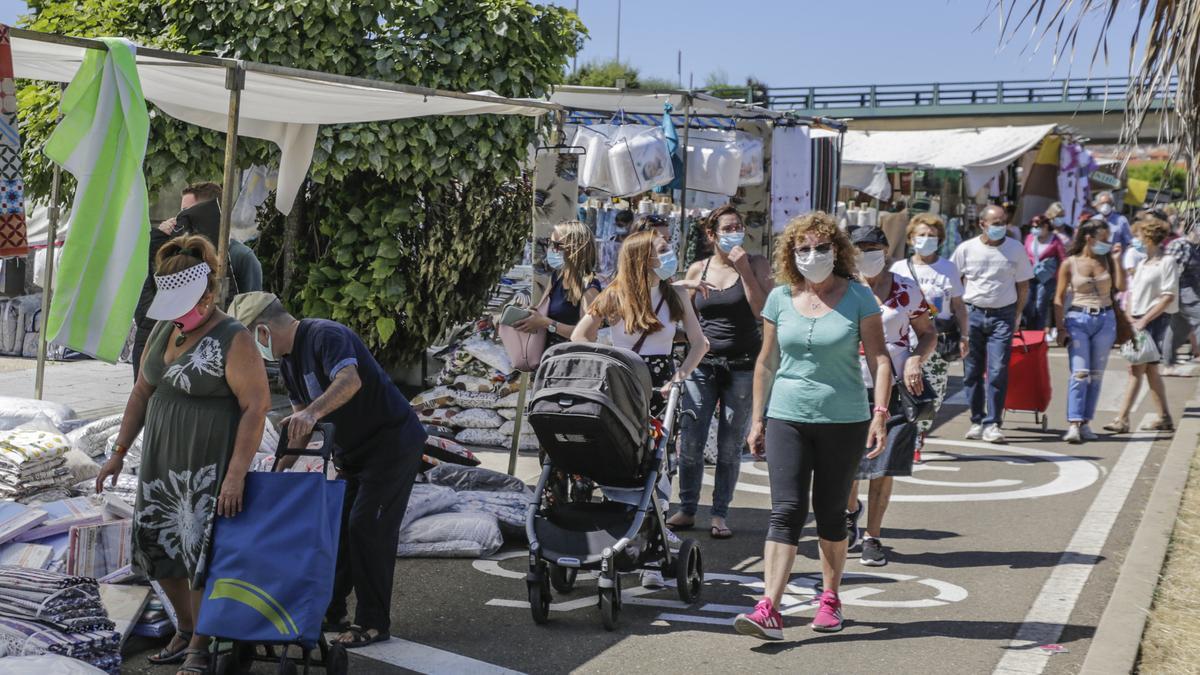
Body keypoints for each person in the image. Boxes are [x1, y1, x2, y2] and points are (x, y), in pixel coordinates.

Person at [96, 236, 270, 675]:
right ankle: (187, 626)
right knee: (157, 548)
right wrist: (118, 452)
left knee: (198, 553)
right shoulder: (164, 329)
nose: (177, 313)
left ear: (208, 295)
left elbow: (256, 407)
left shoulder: (235, 338)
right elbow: (141, 391)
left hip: (206, 463)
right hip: (161, 461)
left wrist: (235, 475)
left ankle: (201, 642)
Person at [229, 292, 428, 648]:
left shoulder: (324, 335)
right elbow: (299, 427)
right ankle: (329, 610)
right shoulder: (288, 362)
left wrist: (312, 413)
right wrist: (277, 470)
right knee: (336, 529)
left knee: (367, 526)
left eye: (247, 340)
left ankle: (373, 622)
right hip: (352, 452)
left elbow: (349, 382)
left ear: (262, 332)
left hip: (391, 444)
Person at [733, 212, 891, 640]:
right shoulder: (780, 299)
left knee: (830, 514)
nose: (812, 255)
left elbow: (879, 359)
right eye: (803, 249)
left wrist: (880, 413)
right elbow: (766, 362)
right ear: (791, 254)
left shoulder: (859, 297)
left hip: (845, 418)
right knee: (785, 511)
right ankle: (769, 606)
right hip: (787, 415)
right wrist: (757, 418)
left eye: (821, 247)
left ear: (837, 250)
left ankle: (831, 597)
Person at [572, 230, 708, 588]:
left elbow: (700, 343)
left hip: (659, 385)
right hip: (624, 382)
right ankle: (624, 526)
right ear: (642, 258)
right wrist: (604, 360)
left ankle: (652, 544)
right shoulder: (613, 295)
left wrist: (680, 374)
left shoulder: (675, 294)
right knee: (623, 453)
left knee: (658, 459)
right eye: (662, 251)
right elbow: (579, 336)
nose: (669, 256)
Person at [668, 205, 773, 540]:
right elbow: (684, 316)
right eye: (727, 228)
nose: (735, 232)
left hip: (743, 364)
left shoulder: (755, 264)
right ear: (711, 235)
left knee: (730, 444)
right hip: (702, 364)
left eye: (738, 226)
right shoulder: (699, 268)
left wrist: (744, 270)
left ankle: (720, 513)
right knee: (691, 437)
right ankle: (686, 507)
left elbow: (761, 311)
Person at [845, 226, 935, 567]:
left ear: (885, 250)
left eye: (873, 247)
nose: (866, 253)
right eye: (859, 247)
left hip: (896, 388)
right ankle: (851, 512)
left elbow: (927, 333)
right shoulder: (842, 289)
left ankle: (873, 536)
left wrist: (915, 358)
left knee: (883, 467)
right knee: (848, 466)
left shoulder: (906, 290)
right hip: (849, 385)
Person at [952, 204, 1034, 444]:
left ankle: (993, 423)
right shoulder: (966, 249)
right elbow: (952, 281)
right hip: (972, 314)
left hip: (1003, 316)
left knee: (998, 370)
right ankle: (977, 420)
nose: (1000, 227)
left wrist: (1017, 315)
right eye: (995, 223)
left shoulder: (1016, 249)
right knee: (971, 371)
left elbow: (1023, 285)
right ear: (982, 224)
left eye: (1003, 222)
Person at [892, 214, 967, 462]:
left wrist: (965, 335)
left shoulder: (948, 268)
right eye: (921, 235)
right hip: (903, 339)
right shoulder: (899, 269)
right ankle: (904, 435)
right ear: (911, 239)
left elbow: (958, 305)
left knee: (932, 391)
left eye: (932, 236)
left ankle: (919, 434)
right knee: (900, 389)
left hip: (936, 340)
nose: (926, 240)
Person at [1053, 219, 1125, 443]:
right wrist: (1060, 327)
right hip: (1078, 318)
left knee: (1096, 375)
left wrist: (1116, 259)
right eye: (1103, 239)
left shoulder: (1108, 260)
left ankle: (1086, 422)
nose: (1107, 243)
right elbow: (1059, 296)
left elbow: (1121, 287)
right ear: (1089, 238)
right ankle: (1074, 422)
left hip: (1106, 319)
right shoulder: (1070, 263)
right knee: (1080, 372)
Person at [1104, 218, 1178, 433]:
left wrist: (1144, 320)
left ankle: (1122, 419)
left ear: (1148, 237)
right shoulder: (1143, 263)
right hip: (1137, 319)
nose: (1135, 240)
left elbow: (1168, 296)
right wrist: (1128, 316)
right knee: (1150, 370)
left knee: (1136, 368)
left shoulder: (1167, 262)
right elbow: (1133, 292)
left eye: (1138, 236)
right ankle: (1164, 417)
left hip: (1152, 319)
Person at [514, 220, 600, 348]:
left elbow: (586, 337)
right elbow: (541, 311)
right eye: (550, 243)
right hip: (546, 356)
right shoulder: (557, 276)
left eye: (555, 245)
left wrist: (547, 323)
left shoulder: (589, 287)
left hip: (569, 359)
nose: (550, 249)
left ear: (573, 249)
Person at [1162, 220, 1200, 374]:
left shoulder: (1195, 247)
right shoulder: (1180, 245)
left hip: (1190, 293)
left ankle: (1168, 364)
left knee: (1179, 328)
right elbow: (1171, 271)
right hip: (1182, 292)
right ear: (1193, 229)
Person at [1024, 215, 1068, 338]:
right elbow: (1023, 254)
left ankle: (1037, 336)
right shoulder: (1029, 238)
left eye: (1038, 226)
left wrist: (1063, 278)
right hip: (1030, 276)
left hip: (1047, 278)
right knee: (1027, 305)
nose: (1035, 229)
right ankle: (1029, 333)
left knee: (1040, 305)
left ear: (1046, 226)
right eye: (1033, 227)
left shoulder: (1055, 240)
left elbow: (1063, 258)